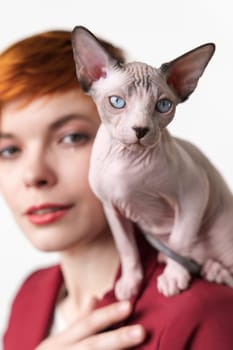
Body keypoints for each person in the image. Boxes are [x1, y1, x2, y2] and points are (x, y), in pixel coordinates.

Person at [1, 29, 233, 350]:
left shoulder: (205, 311)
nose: (34, 175)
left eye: (72, 137)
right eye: (9, 150)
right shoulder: (30, 295)